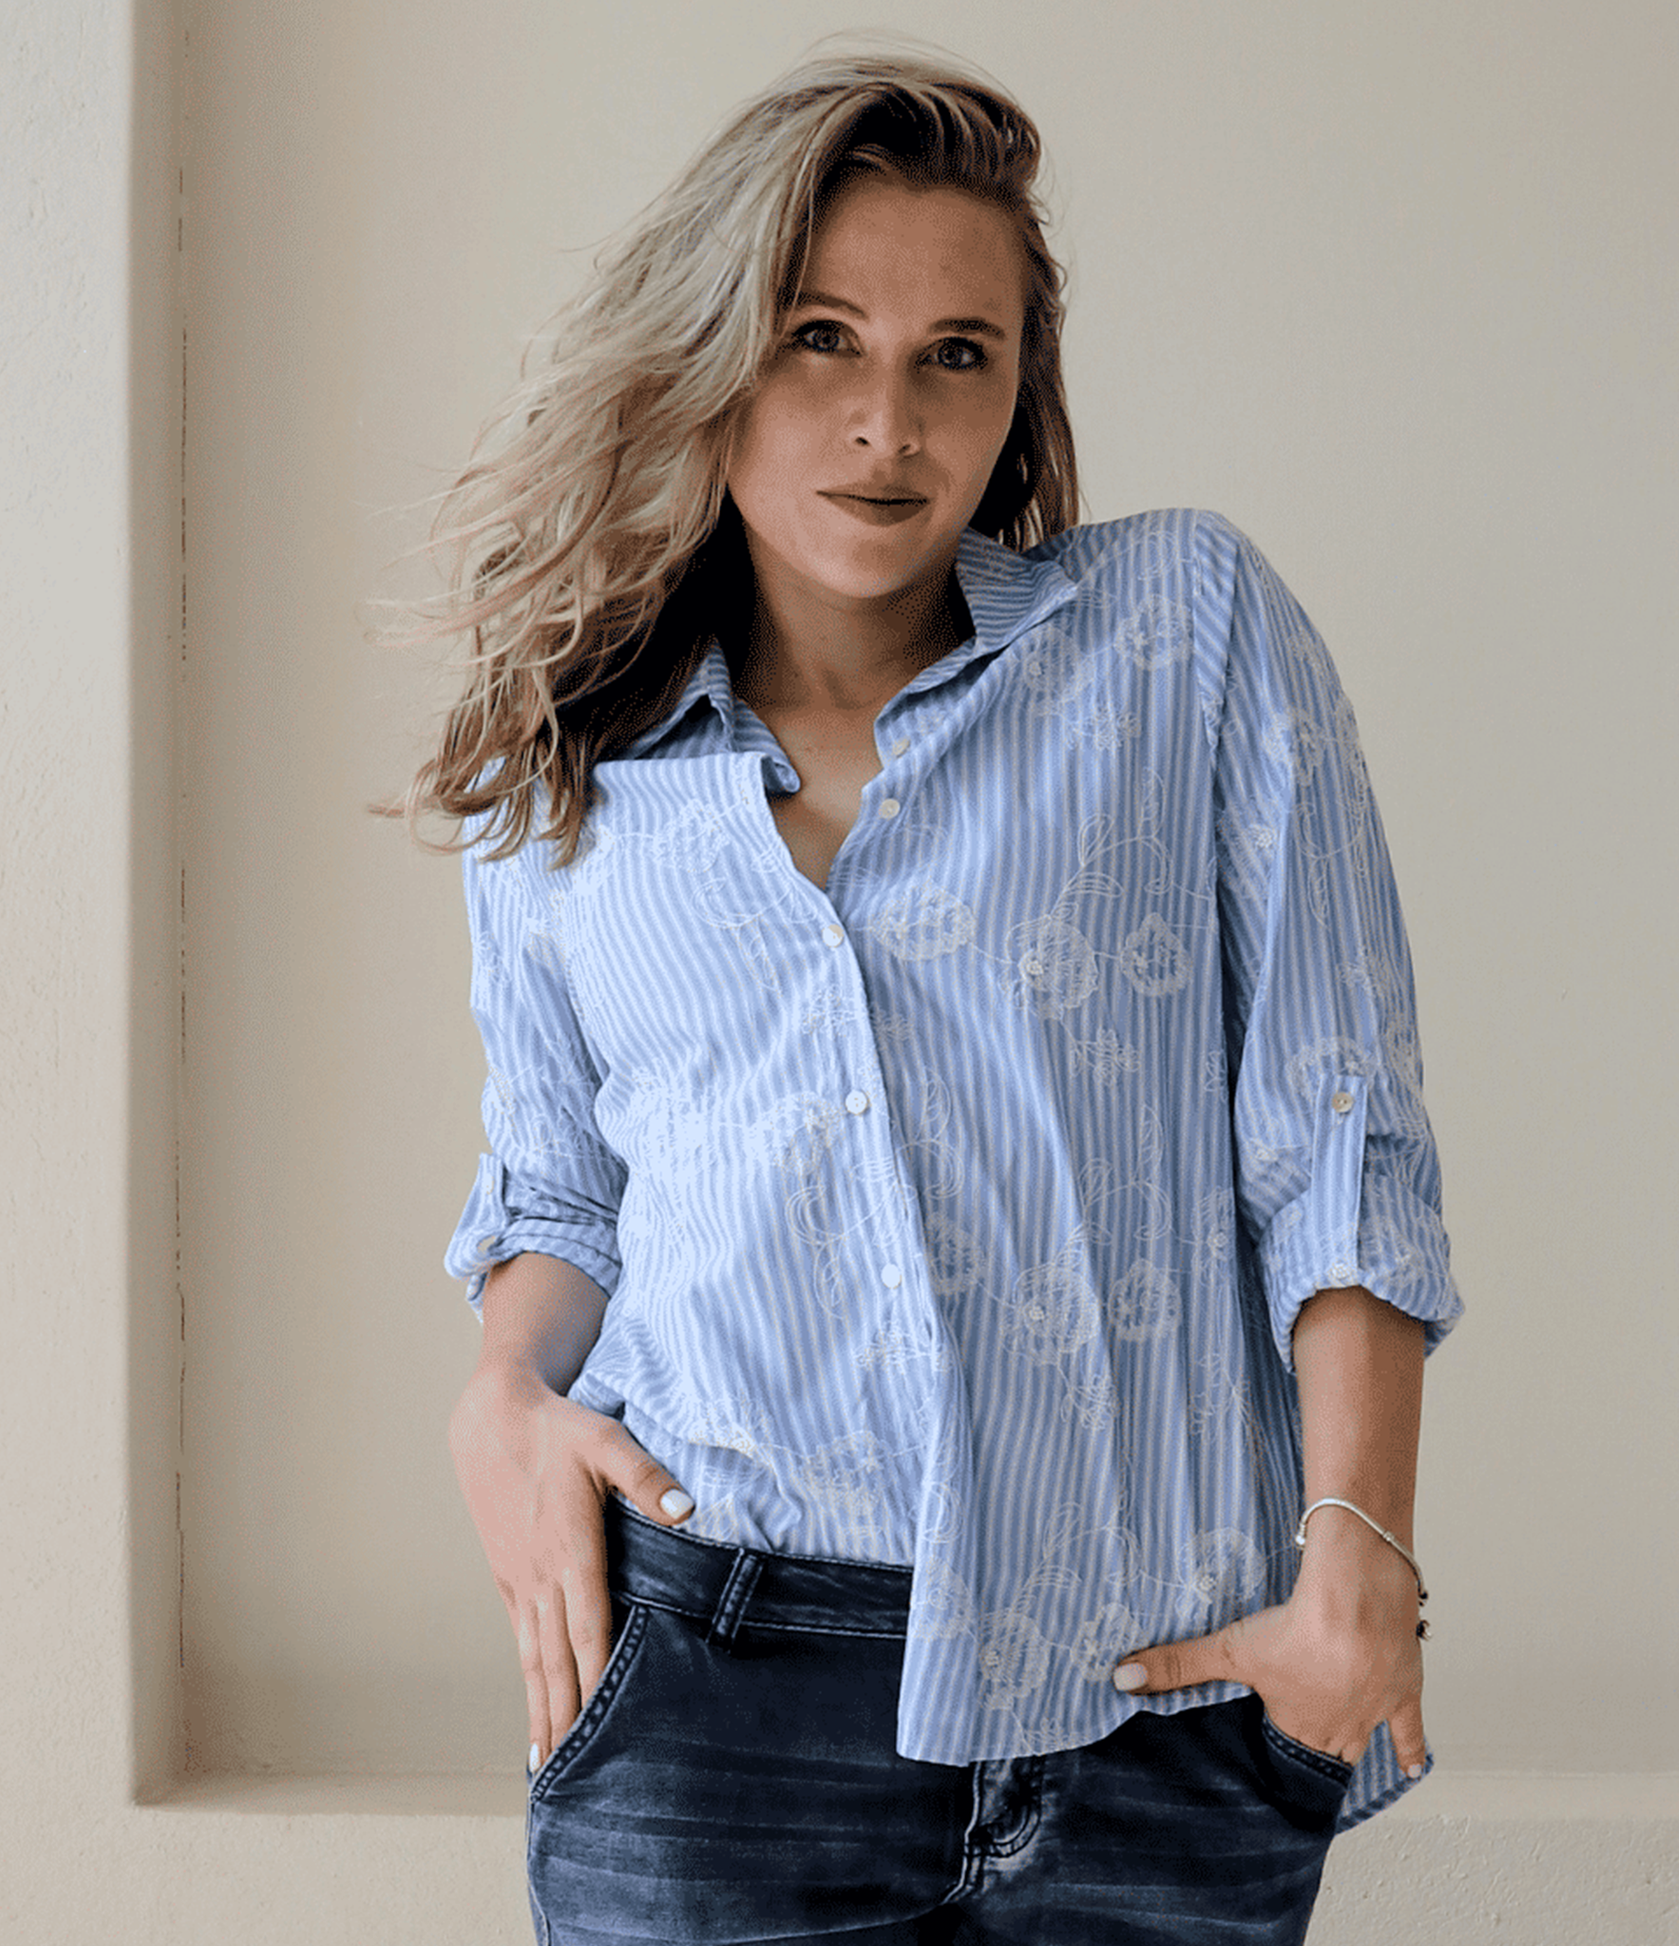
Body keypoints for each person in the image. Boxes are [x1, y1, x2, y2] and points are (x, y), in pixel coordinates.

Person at [410, 42, 1461, 1946]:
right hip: (716, 1690)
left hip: (1156, 1697)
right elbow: (561, 1189)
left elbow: (1335, 1127)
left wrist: (1356, 1551)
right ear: (716, 353)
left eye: (951, 356)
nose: (884, 423)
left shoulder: (1181, 640)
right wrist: (499, 1395)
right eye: (820, 338)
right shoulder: (564, 779)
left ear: (1014, 389)